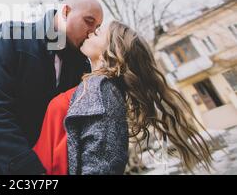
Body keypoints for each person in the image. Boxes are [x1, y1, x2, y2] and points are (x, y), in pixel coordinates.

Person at [33, 20, 214, 175]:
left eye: (98, 31)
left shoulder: (103, 89)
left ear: (112, 49)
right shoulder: (93, 86)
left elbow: (100, 166)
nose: (91, 32)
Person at [0, 0, 103, 174]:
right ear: (66, 11)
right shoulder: (10, 37)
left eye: (98, 27)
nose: (92, 32)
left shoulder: (80, 64)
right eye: (89, 21)